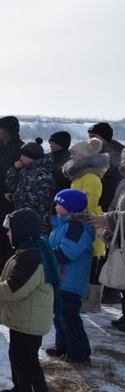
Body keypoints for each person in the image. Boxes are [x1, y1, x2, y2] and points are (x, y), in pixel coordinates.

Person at [0, 208, 59, 392]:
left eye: (11, 229)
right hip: (23, 319)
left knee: (27, 362)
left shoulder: (31, 258)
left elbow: (14, 288)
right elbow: (9, 278)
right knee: (17, 357)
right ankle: (20, 387)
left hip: (29, 322)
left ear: (21, 231)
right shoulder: (27, 250)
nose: (8, 233)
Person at [47, 189, 94, 363]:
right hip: (61, 280)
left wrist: (46, 255)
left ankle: (79, 353)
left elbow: (67, 253)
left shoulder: (78, 228)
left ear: (71, 209)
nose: (56, 206)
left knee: (69, 318)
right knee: (59, 316)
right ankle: (63, 347)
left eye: (60, 204)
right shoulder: (63, 224)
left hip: (71, 282)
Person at [64, 137, 109, 310]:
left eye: (74, 153)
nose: (72, 156)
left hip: (90, 221)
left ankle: (93, 302)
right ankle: (84, 297)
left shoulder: (90, 176)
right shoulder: (80, 174)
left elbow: (89, 200)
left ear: (83, 156)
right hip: (80, 220)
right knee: (85, 262)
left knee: (93, 263)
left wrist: (73, 210)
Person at [0, 116, 24, 279]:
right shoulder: (0, 148)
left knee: (9, 235)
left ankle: (7, 268)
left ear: (9, 130)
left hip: (9, 199)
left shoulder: (19, 149)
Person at [89, 150, 125, 330]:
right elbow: (114, 205)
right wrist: (108, 226)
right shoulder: (123, 181)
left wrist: (109, 218)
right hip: (121, 236)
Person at [4, 138, 55, 231]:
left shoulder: (43, 174)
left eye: (23, 155)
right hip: (23, 218)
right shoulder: (25, 170)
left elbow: (34, 199)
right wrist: (14, 169)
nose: (20, 158)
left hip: (37, 222)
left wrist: (13, 197)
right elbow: (10, 185)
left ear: (31, 157)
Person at [88, 122, 124, 211]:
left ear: (103, 137)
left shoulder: (116, 153)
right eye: (89, 137)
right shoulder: (97, 151)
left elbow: (111, 181)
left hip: (109, 200)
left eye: (93, 137)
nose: (90, 140)